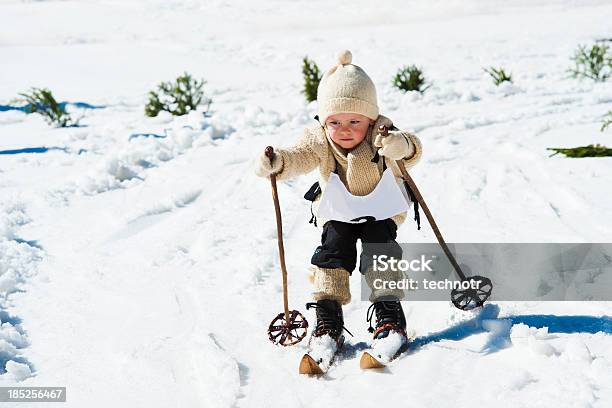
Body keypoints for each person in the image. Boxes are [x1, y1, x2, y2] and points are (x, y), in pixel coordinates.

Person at [255, 49, 423, 356]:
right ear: (324, 120)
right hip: (339, 211)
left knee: (380, 253)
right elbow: (299, 156)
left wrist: (401, 146)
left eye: (354, 121)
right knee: (331, 256)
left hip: (380, 210)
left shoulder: (382, 134)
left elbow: (412, 149)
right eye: (335, 122)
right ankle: (328, 321)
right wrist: (277, 163)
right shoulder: (319, 138)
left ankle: (389, 317)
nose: (344, 129)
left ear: (370, 118)